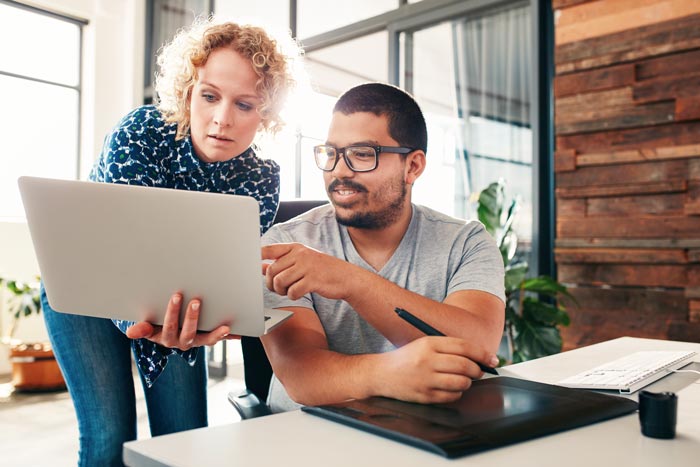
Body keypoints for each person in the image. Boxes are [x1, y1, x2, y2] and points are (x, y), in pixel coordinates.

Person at [40, 17, 301, 466]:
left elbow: (221, 275)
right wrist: (148, 322)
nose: (222, 119)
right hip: (85, 288)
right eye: (209, 96)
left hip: (178, 310)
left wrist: (211, 320)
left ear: (267, 113)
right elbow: (124, 252)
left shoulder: (261, 177)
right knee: (107, 442)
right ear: (187, 91)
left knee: (184, 442)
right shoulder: (141, 131)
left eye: (245, 104)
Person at [259, 83, 506, 412]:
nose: (339, 171)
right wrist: (389, 373)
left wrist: (350, 281)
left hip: (425, 431)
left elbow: (477, 348)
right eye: (331, 153)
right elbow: (301, 376)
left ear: (413, 166)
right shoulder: (283, 244)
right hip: (307, 437)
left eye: (362, 154)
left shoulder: (466, 242)